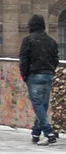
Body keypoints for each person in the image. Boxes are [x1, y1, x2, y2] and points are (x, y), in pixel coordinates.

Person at [18, 14, 60, 145]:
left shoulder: (28, 40)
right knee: (42, 105)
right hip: (47, 74)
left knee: (37, 105)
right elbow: (55, 59)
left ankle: (48, 132)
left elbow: (24, 60)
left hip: (34, 74)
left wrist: (24, 75)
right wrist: (51, 70)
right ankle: (36, 133)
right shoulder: (51, 40)